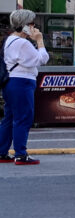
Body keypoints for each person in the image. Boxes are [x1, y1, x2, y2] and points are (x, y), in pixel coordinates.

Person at [1, 9, 48, 165]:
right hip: (22, 82)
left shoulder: (10, 40)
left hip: (10, 83)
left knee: (10, 118)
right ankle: (21, 154)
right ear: (25, 25)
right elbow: (42, 59)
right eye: (32, 24)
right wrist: (39, 40)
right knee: (23, 117)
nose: (34, 27)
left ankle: (2, 151)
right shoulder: (23, 43)